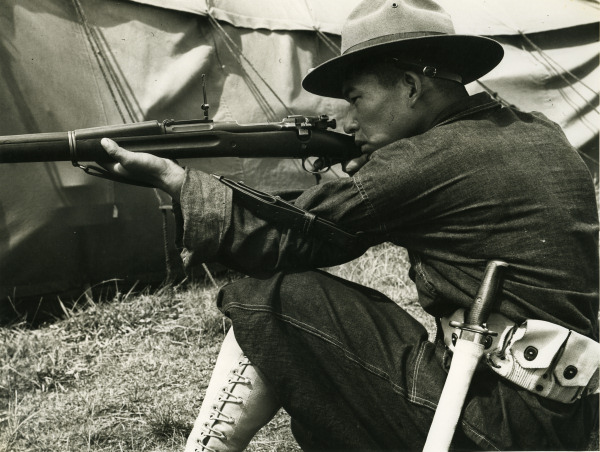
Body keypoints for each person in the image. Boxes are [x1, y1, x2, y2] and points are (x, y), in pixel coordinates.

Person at [100, 0, 599, 450]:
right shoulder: (537, 132)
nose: (348, 122)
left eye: (356, 99)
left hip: (496, 421)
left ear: (410, 87)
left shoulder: (420, 160)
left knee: (272, 297)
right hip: (565, 417)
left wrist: (175, 180)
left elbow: (281, 241)